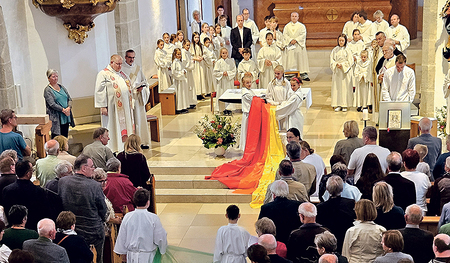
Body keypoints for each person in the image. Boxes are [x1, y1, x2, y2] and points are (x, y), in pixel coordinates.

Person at [58, 155, 107, 263]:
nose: (94, 169)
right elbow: (103, 209)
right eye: (92, 166)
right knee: (96, 259)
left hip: (71, 230)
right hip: (93, 230)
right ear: (84, 168)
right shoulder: (95, 186)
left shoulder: (63, 182)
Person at [95, 54, 135, 153]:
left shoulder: (122, 74)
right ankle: (113, 148)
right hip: (112, 109)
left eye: (121, 64)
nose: (120, 66)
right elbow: (99, 90)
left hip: (124, 108)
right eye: (118, 64)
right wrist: (103, 106)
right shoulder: (103, 74)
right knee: (113, 127)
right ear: (111, 62)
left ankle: (125, 146)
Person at [114, 188, 167, 262]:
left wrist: (123, 254)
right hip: (148, 256)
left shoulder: (128, 217)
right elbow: (160, 237)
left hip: (131, 256)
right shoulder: (153, 218)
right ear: (148, 203)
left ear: (134, 202)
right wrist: (162, 250)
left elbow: (122, 237)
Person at [3, 160, 57, 231]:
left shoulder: (7, 190)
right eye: (32, 170)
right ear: (28, 174)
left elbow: (5, 210)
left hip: (13, 228)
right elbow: (44, 212)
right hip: (33, 227)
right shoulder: (38, 191)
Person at [316, 176, 356, 253]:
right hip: (346, 238)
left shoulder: (320, 207)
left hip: (327, 241)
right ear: (342, 189)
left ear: (327, 189)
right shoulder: (350, 203)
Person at [122, 49, 151, 149]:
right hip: (129, 100)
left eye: (133, 57)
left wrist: (142, 90)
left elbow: (145, 83)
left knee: (140, 120)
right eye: (129, 57)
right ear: (125, 57)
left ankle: (142, 142)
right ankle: (131, 144)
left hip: (138, 100)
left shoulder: (137, 68)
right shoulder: (122, 69)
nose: (131, 60)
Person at [43, 69, 74, 138]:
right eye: (53, 76)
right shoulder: (47, 90)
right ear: (48, 78)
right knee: (57, 137)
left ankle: (64, 148)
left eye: (56, 76)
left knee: (65, 136)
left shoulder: (61, 87)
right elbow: (52, 104)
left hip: (66, 116)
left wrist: (69, 108)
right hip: (56, 118)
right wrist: (63, 110)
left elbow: (69, 99)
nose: (56, 78)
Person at [283, 12, 310, 81]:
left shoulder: (301, 26)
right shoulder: (287, 26)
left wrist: (296, 40)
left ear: (298, 17)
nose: (294, 17)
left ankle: (302, 74)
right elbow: (285, 35)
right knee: (291, 60)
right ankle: (290, 74)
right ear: (290, 17)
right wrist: (290, 40)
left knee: (300, 60)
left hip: (298, 46)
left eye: (295, 16)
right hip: (290, 46)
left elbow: (303, 35)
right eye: (293, 16)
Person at [330, 34, 353, 112]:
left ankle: (345, 105)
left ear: (345, 41)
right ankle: (338, 104)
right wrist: (336, 64)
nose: (341, 42)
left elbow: (350, 61)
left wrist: (343, 65)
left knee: (345, 88)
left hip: (345, 72)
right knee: (337, 88)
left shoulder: (348, 50)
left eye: (342, 40)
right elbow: (331, 60)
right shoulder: (335, 50)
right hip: (337, 72)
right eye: (340, 40)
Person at [214, 47, 236, 113]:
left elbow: (234, 71)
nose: (224, 54)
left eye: (226, 53)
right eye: (223, 53)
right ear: (220, 54)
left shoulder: (231, 62)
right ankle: (222, 109)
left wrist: (228, 73)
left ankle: (229, 109)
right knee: (221, 94)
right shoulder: (218, 62)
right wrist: (222, 73)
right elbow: (215, 72)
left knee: (229, 94)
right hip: (221, 81)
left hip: (228, 81)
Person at [240, 75, 257, 151]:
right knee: (246, 130)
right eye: (247, 83)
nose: (249, 84)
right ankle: (245, 147)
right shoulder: (245, 93)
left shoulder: (249, 90)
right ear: (243, 84)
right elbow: (254, 100)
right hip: (247, 114)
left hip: (251, 114)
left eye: (250, 82)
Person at [172, 47, 190, 113]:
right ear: (175, 55)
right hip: (178, 81)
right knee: (179, 94)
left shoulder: (179, 62)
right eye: (178, 54)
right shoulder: (174, 63)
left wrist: (184, 71)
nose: (179, 56)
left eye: (180, 54)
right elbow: (174, 72)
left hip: (182, 80)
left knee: (183, 93)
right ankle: (179, 108)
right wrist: (181, 73)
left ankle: (183, 107)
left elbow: (183, 68)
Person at [181, 39, 197, 108]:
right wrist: (191, 62)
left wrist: (192, 61)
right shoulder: (183, 52)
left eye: (189, 45)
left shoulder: (188, 52)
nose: (188, 47)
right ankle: (188, 103)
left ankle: (191, 102)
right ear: (183, 45)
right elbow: (184, 63)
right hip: (186, 72)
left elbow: (190, 59)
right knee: (187, 87)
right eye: (187, 45)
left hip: (189, 72)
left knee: (191, 86)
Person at [190, 32, 206, 98]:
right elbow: (191, 55)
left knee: (201, 78)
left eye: (198, 37)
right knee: (196, 78)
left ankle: (201, 92)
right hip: (195, 64)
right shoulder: (191, 46)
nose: (197, 39)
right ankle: (197, 93)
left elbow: (204, 53)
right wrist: (196, 58)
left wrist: (202, 57)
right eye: (195, 37)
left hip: (200, 63)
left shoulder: (201, 45)